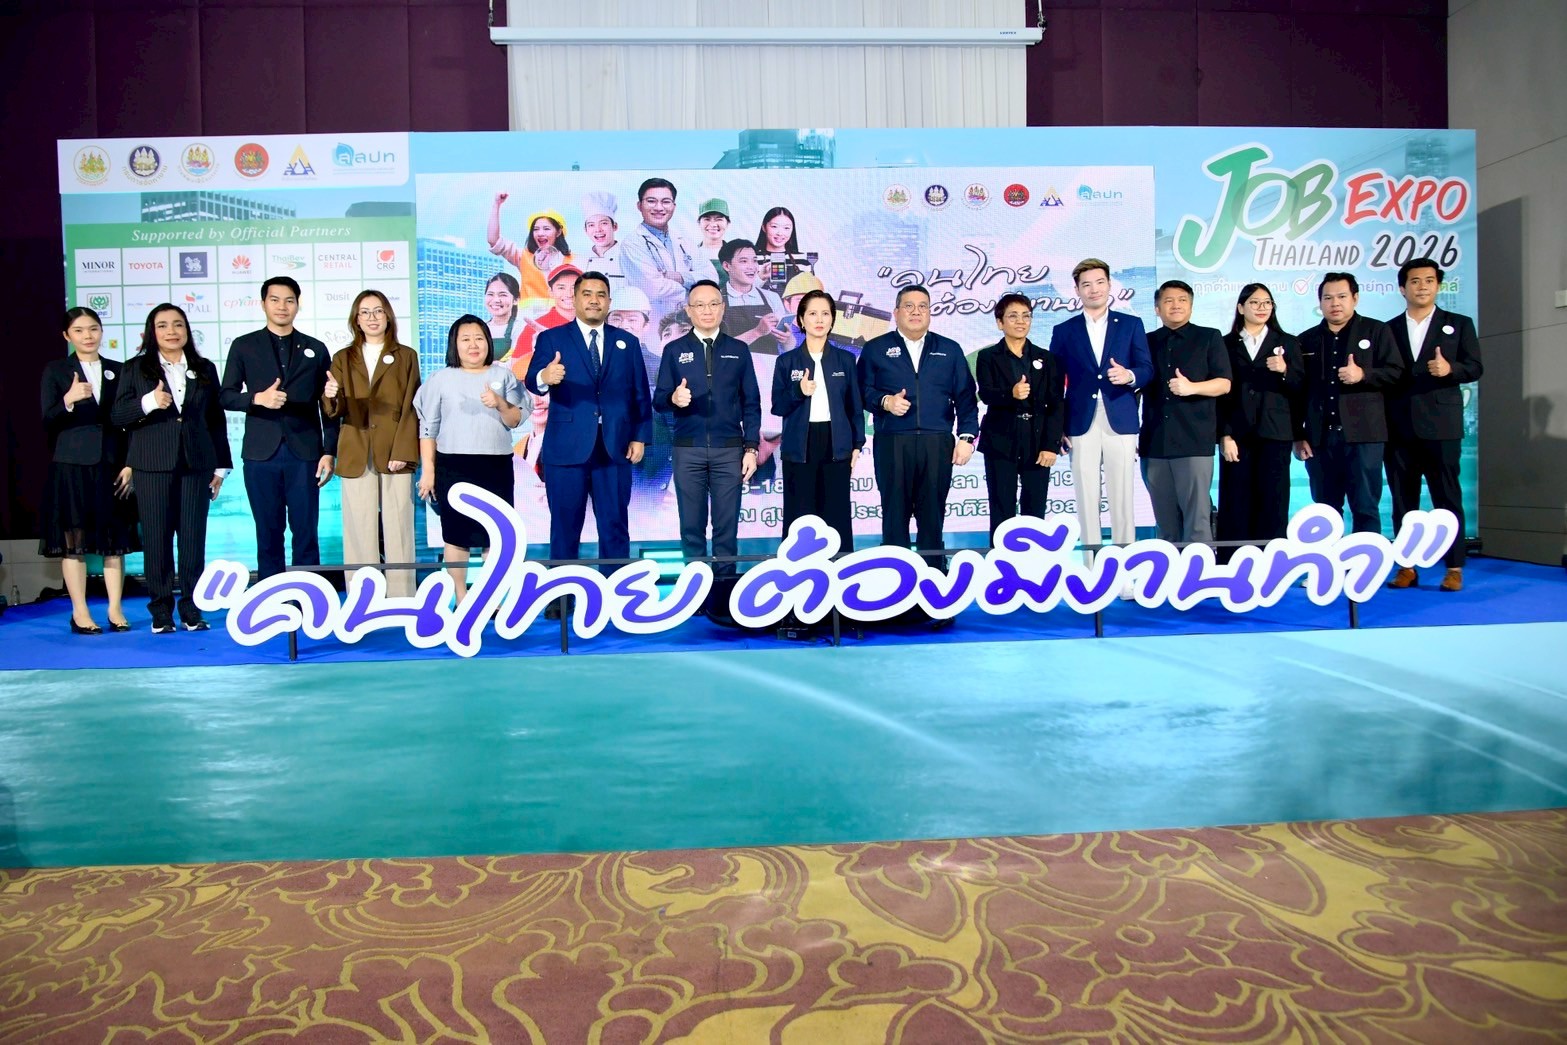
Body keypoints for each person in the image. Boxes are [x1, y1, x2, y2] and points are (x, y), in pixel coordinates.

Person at [111, 304, 232, 633]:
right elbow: (118, 416)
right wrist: (148, 402)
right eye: (163, 325)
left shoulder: (204, 368)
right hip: (152, 465)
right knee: (157, 539)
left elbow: (215, 420)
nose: (171, 331)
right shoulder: (135, 368)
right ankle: (161, 609)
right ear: (152, 332)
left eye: (178, 324)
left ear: (187, 330)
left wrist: (221, 467)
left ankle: (192, 607)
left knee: (193, 540)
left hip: (196, 464)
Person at [526, 272, 653, 580]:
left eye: (601, 295)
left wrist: (640, 437)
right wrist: (545, 377)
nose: (594, 300)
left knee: (615, 527)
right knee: (565, 528)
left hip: (614, 447)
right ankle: (563, 596)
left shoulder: (627, 342)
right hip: (566, 450)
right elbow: (531, 379)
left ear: (609, 301)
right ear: (574, 299)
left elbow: (640, 393)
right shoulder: (552, 339)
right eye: (587, 294)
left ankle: (615, 594)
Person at [220, 276, 338, 580]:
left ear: (298, 305)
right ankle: (271, 596)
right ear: (263, 304)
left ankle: (307, 595)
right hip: (260, 454)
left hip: (305, 453)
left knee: (306, 531)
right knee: (268, 532)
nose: (282, 306)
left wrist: (329, 451)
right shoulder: (244, 345)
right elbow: (226, 396)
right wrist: (257, 398)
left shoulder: (315, 348)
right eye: (275, 300)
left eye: (289, 300)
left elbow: (328, 404)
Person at [857, 284, 979, 564]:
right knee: (894, 514)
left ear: (930, 312)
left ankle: (934, 576)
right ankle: (895, 577)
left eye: (923, 306)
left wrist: (966, 437)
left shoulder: (949, 349)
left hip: (937, 443)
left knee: (932, 515)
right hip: (892, 442)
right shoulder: (876, 349)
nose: (916, 312)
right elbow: (861, 391)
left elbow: (966, 398)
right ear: (896, 312)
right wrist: (885, 401)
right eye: (909, 306)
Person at [1049, 258, 1152, 586]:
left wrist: (1129, 375)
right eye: (1086, 284)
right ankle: (1093, 575)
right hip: (1079, 422)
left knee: (1123, 498)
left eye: (1099, 282)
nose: (1094, 289)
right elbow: (1053, 384)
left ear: (1109, 285)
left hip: (1121, 418)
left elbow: (1147, 369)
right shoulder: (1064, 331)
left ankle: (1126, 575)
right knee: (1086, 497)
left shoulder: (1131, 324)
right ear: (1077, 290)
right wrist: (1057, 427)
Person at [1384, 258, 1483, 591]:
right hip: (1397, 427)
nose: (1422, 286)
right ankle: (1406, 566)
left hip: (1441, 425)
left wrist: (1451, 370)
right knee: (1403, 500)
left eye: (1428, 280)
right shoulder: (1388, 329)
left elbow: (1475, 367)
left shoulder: (1459, 324)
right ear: (1403, 288)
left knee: (1447, 497)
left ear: (1438, 285)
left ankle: (1454, 567)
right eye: (1414, 281)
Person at [39, 307, 139, 633]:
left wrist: (130, 463)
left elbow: (131, 422)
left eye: (93, 329)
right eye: (79, 330)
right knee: (74, 542)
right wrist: (67, 400)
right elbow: (47, 419)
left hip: (112, 466)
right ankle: (80, 612)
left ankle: (115, 609)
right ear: (67, 335)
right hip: (72, 465)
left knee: (114, 541)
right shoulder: (56, 370)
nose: (88, 336)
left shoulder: (119, 370)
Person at [413, 315, 527, 599]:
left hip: (495, 466)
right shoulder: (440, 379)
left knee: (495, 534)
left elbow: (515, 420)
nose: (473, 345)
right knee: (456, 534)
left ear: (488, 342)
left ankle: (490, 597)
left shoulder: (503, 376)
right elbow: (427, 429)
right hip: (453, 466)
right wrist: (429, 472)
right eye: (465, 339)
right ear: (455, 344)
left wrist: (499, 403)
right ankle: (461, 596)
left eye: (479, 338)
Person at [654, 281, 761, 576]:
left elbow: (752, 403)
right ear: (689, 311)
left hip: (730, 450)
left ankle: (725, 586)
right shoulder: (674, 350)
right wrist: (674, 398)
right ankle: (697, 586)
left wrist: (751, 448)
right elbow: (659, 400)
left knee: (727, 526)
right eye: (699, 305)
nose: (707, 310)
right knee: (691, 526)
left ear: (722, 308)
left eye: (713, 303)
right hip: (688, 450)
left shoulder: (738, 350)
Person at [322, 291, 421, 598]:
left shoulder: (406, 356)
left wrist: (403, 451)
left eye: (378, 311)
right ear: (356, 319)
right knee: (358, 529)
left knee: (399, 527)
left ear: (388, 316)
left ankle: (402, 599)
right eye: (365, 312)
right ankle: (362, 600)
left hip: (395, 451)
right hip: (356, 450)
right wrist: (330, 395)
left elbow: (411, 406)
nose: (372, 317)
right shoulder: (343, 357)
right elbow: (335, 409)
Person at [1294, 272, 1404, 535]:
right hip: (1320, 439)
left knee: (1365, 506)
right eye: (1328, 298)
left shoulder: (1377, 331)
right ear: (1320, 302)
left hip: (1364, 436)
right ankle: (1326, 560)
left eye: (1342, 296)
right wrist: (1298, 435)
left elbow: (1396, 373)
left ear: (1355, 298)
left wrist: (1363, 375)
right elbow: (1298, 392)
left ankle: (1366, 560)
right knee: (1325, 511)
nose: (1335, 303)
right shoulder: (1306, 339)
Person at [771, 290, 864, 554]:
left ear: (833, 320)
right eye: (812, 313)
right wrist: (798, 391)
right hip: (799, 445)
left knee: (837, 515)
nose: (819, 319)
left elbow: (854, 407)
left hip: (836, 444)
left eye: (825, 313)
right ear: (801, 320)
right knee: (799, 516)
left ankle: (840, 572)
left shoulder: (845, 360)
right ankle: (797, 573)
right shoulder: (787, 361)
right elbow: (778, 406)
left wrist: (857, 444)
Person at [1140, 281, 1231, 545]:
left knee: (1197, 519)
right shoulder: (1146, 342)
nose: (1176, 305)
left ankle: (1199, 568)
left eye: (1182, 300)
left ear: (1191, 306)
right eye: (1168, 300)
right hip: (1154, 442)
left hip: (1194, 441)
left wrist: (1192, 388)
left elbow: (1224, 384)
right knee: (1164, 521)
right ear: (1157, 308)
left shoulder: (1209, 337)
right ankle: (1168, 567)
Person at [1217, 283, 1302, 558]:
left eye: (1267, 303)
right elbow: (1220, 395)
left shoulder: (1288, 342)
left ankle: (1272, 563)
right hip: (1237, 435)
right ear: (1241, 308)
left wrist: (1285, 370)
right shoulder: (1225, 344)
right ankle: (1232, 564)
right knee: (1235, 501)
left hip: (1275, 433)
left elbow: (1301, 388)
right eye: (1254, 302)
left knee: (1273, 501)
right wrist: (1224, 434)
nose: (1261, 307)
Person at [975, 294, 1064, 542]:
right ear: (1000, 322)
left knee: (1035, 507)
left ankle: (1034, 559)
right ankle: (1000, 560)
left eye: (1026, 316)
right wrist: (1011, 393)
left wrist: (1051, 445)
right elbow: (986, 394)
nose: (1021, 321)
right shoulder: (988, 357)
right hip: (1001, 440)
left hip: (1037, 440)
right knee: (1001, 506)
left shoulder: (1047, 358)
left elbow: (1056, 403)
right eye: (1013, 316)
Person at [619, 177, 699, 330]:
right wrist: (697, 291)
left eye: (666, 202)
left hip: (688, 324)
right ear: (639, 205)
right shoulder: (632, 244)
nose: (659, 207)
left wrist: (680, 277)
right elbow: (654, 288)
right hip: (653, 326)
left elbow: (711, 276)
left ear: (674, 206)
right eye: (651, 201)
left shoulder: (684, 241)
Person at [488, 193, 573, 302]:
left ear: (558, 232)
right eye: (536, 229)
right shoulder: (523, 257)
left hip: (561, 312)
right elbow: (493, 240)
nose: (540, 233)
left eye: (546, 229)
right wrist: (496, 204)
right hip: (529, 312)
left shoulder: (573, 261)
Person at [719, 239, 790, 351]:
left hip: (769, 362)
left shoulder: (772, 297)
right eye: (744, 261)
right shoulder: (715, 300)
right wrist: (757, 332)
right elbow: (716, 349)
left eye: (755, 260)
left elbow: (789, 347)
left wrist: (787, 339)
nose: (752, 267)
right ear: (727, 266)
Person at [753, 205, 810, 295]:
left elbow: (810, 294)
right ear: (764, 227)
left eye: (786, 228)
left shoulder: (803, 260)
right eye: (774, 226)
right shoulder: (752, 258)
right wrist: (760, 278)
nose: (780, 233)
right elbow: (742, 292)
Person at [578, 191, 623, 290]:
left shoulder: (629, 257)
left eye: (603, 223)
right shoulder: (579, 261)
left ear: (615, 226)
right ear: (586, 230)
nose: (598, 229)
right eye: (591, 225)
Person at [482, 272, 522, 358]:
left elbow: (517, 360)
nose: (496, 300)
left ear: (516, 300)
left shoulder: (520, 328)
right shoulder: (479, 328)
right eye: (490, 294)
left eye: (503, 295)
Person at [695, 198, 730, 280]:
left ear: (727, 223)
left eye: (719, 219)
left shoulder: (736, 255)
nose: (713, 224)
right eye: (707, 219)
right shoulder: (690, 254)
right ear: (699, 223)